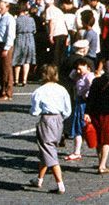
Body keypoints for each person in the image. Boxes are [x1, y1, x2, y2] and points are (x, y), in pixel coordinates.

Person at [28, 64, 71, 193]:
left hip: (47, 120)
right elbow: (68, 110)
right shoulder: (62, 89)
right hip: (59, 120)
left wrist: (35, 111)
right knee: (47, 151)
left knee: (49, 152)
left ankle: (60, 184)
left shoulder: (39, 91)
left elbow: (34, 111)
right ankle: (39, 179)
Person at [66, 57, 95, 162]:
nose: (78, 71)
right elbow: (71, 75)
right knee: (79, 127)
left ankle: (77, 152)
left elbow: (93, 89)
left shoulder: (89, 77)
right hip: (79, 103)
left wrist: (86, 95)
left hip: (84, 104)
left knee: (83, 127)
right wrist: (77, 70)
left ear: (87, 66)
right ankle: (77, 151)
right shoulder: (79, 75)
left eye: (80, 69)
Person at [12, 2, 37, 88]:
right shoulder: (31, 19)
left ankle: (16, 79)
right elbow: (34, 30)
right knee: (27, 60)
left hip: (20, 37)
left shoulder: (16, 20)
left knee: (18, 59)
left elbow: (14, 31)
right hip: (30, 38)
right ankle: (24, 80)